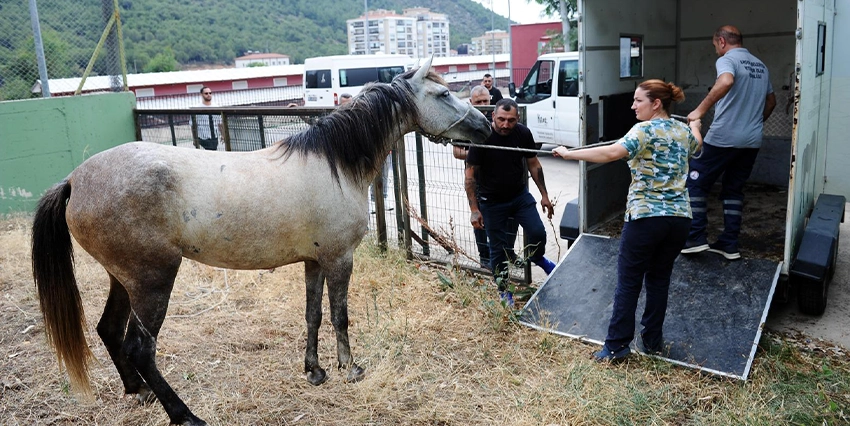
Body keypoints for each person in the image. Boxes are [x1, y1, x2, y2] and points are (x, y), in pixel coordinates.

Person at [552, 79, 703, 362]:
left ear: (656, 103)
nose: (633, 106)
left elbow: (610, 153)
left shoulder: (643, 130)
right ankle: (652, 342)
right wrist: (696, 123)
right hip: (679, 220)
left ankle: (617, 346)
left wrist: (569, 154)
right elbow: (698, 142)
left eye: (638, 101)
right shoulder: (683, 130)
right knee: (659, 280)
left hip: (646, 218)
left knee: (629, 282)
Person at [680, 25, 777, 260]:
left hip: (723, 138)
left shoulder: (727, 60)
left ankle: (695, 237)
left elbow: (725, 82)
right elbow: (772, 102)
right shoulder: (760, 66)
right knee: (733, 189)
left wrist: (699, 111)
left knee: (695, 182)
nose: (716, 51)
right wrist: (752, 123)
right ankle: (729, 243)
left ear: (722, 42)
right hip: (751, 141)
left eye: (715, 46)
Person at [465, 98, 556, 306]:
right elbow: (470, 175)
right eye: (501, 120)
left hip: (518, 196)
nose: (506, 125)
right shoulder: (482, 137)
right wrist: (474, 209)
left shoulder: (523, 133)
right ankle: (504, 291)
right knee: (498, 249)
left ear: (518, 118)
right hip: (491, 201)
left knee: (537, 232)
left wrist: (544, 194)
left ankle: (538, 257)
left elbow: (533, 163)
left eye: (511, 120)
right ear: (493, 116)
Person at [453, 86, 517, 269]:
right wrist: (482, 154)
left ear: (491, 101)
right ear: (471, 103)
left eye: (485, 101)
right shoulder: (465, 123)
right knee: (479, 219)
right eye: (478, 102)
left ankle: (508, 252)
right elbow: (457, 151)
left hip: (505, 180)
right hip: (478, 181)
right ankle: (485, 257)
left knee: (511, 218)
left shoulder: (500, 121)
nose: (482, 105)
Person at [193, 86, 221, 150]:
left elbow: (220, 122)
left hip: (214, 136)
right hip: (203, 136)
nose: (208, 95)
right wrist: (195, 138)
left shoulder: (216, 107)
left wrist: (223, 135)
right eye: (206, 93)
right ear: (201, 94)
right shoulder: (197, 108)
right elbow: (193, 125)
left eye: (210, 93)